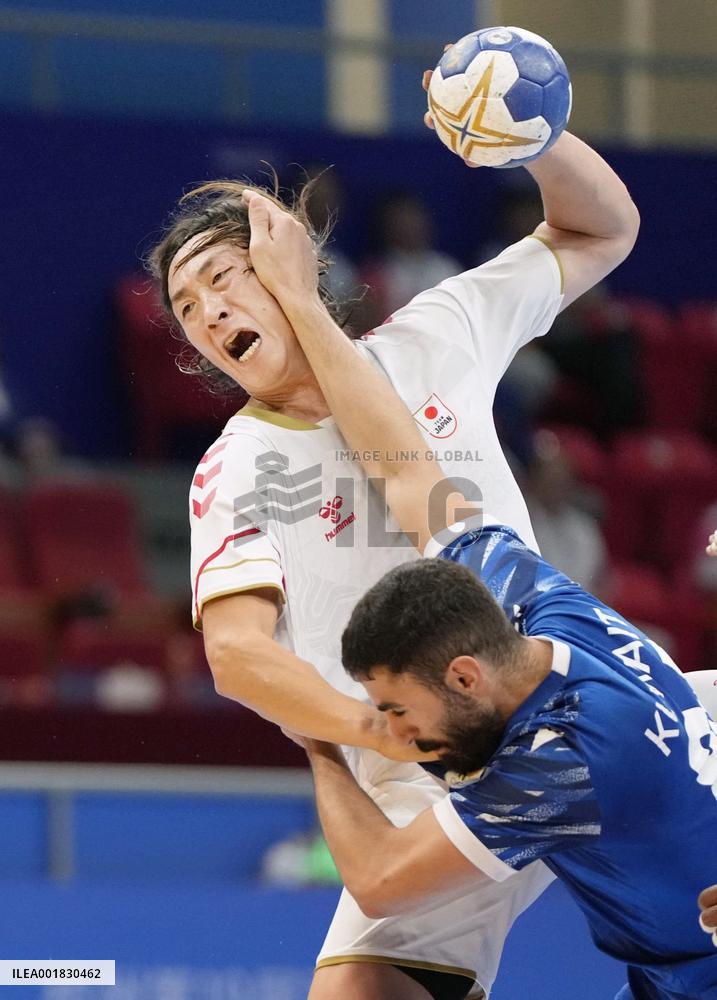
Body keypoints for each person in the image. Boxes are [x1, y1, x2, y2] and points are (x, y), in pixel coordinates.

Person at [148, 54, 639, 996]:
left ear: (287, 268)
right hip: (426, 776)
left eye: (224, 278)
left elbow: (601, 227)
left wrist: (534, 140)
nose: (209, 312)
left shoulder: (433, 336)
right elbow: (238, 656)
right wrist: (363, 732)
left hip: (568, 700)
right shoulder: (233, 465)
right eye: (187, 307)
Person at [236, 190, 717, 998]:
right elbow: (404, 464)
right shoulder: (530, 599)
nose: (389, 730)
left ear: (464, 676)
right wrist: (298, 301)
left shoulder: (557, 763)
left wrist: (316, 740)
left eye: (394, 710)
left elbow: (384, 878)